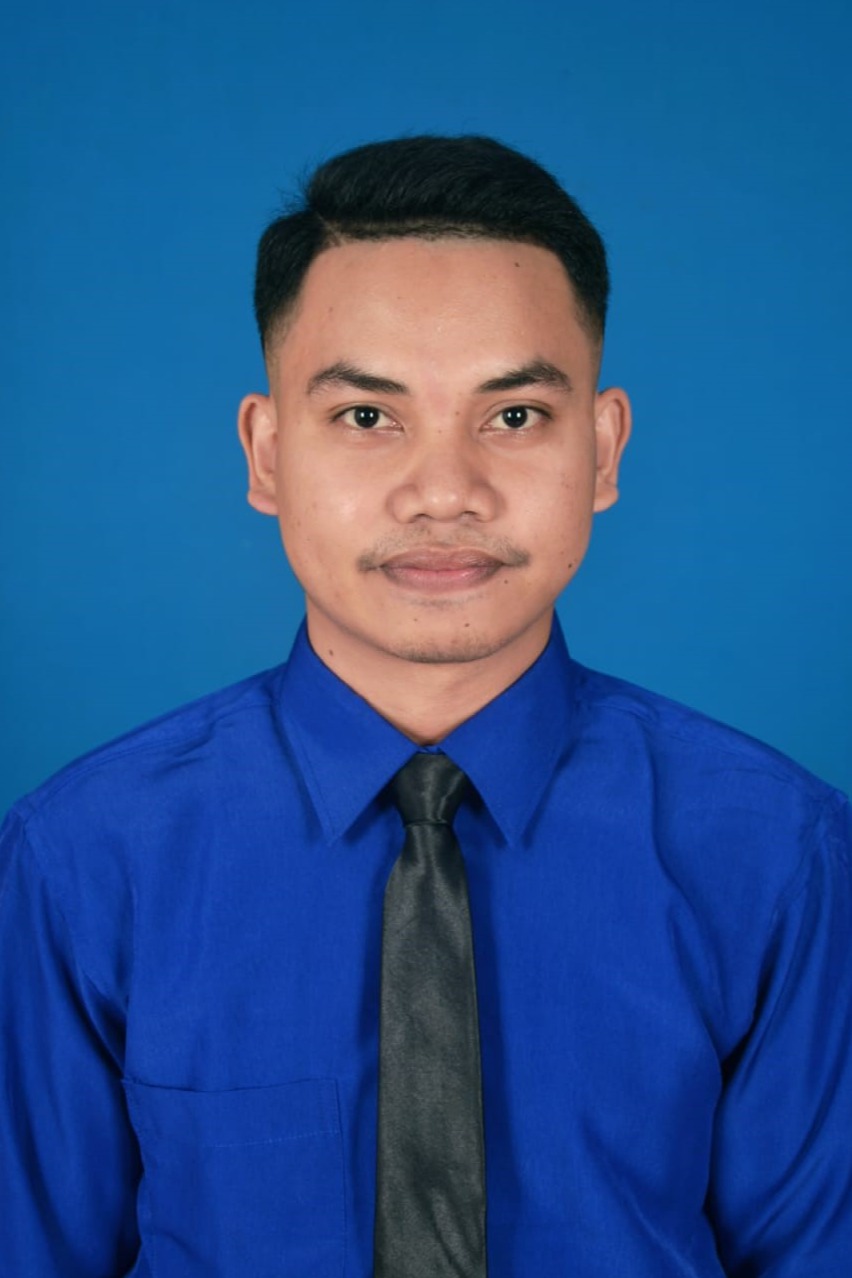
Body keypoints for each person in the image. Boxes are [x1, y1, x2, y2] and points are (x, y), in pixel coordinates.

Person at [1, 135, 849, 1278]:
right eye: (367, 417)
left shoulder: (781, 857)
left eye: (515, 417)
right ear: (266, 453)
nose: (445, 493)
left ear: (603, 450)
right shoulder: (80, 860)